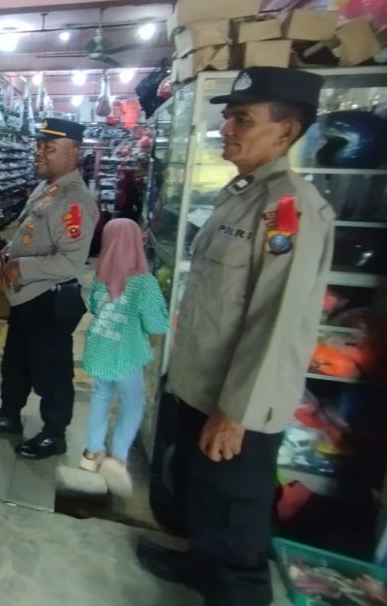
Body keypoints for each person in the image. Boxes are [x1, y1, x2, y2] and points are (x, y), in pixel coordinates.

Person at [137, 67, 335, 606]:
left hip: (237, 402)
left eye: (242, 119)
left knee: (234, 514)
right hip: (204, 385)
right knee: (203, 495)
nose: (225, 128)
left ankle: (235, 591)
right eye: (227, 117)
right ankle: (198, 563)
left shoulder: (288, 209)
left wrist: (236, 412)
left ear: (286, 131)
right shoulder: (243, 194)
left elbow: (276, 320)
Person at [0, 118, 99, 460]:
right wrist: (10, 250)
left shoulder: (75, 200)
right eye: (39, 145)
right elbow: (31, 231)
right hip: (25, 298)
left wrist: (20, 267)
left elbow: (70, 262)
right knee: (16, 363)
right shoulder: (48, 187)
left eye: (49, 148)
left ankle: (54, 434)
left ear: (73, 153)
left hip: (48, 301)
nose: (39, 152)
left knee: (52, 370)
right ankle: (9, 415)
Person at [79, 218, 169, 497]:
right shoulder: (145, 283)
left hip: (100, 347)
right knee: (132, 403)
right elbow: (156, 324)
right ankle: (117, 458)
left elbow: (94, 308)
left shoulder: (101, 276)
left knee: (101, 395)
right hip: (127, 353)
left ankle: (91, 452)